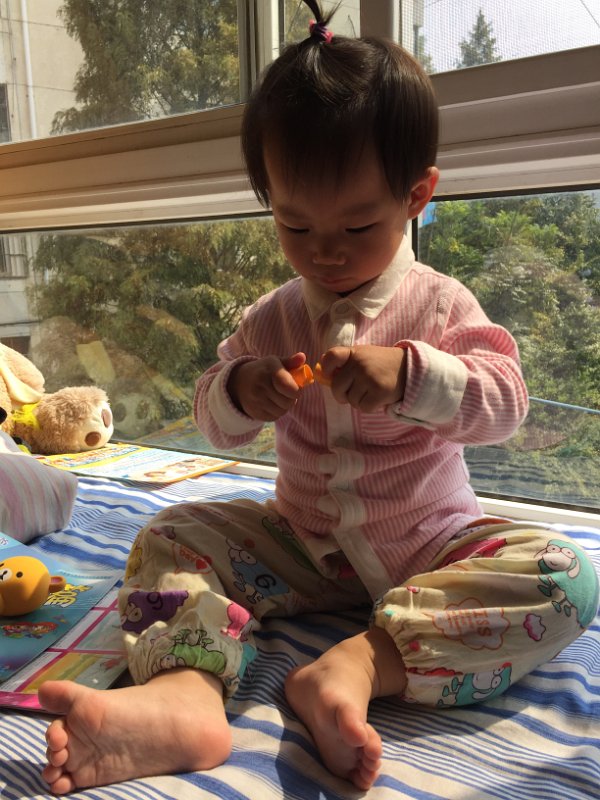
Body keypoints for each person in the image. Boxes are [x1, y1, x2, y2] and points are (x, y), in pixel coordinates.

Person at [40, 0, 599, 794]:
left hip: (430, 543)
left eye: (358, 226)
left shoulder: (440, 304)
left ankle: (359, 665)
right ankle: (185, 692)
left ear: (417, 194)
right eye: (296, 228)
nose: (326, 254)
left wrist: (415, 376)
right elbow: (211, 419)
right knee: (169, 533)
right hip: (297, 546)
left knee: (566, 575)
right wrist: (241, 389)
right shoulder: (273, 316)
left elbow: (507, 403)